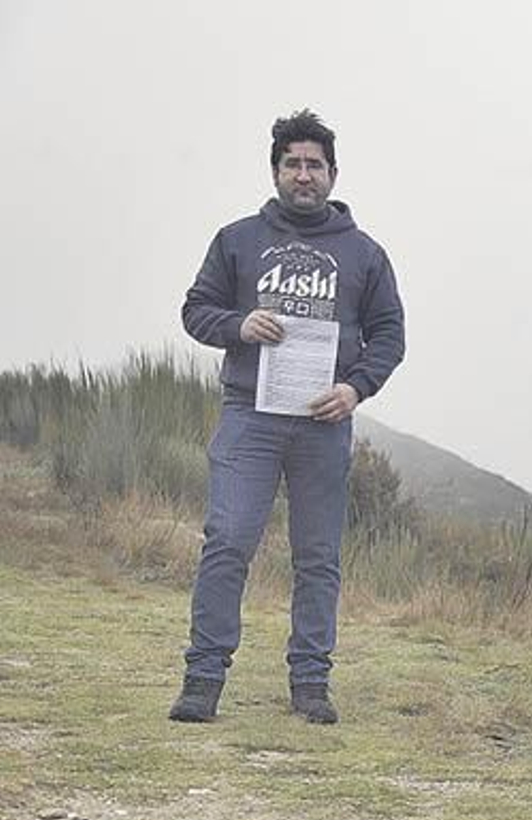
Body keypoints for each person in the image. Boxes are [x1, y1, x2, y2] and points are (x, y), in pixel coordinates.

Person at [167, 109, 405, 725]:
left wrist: (355, 389)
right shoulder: (237, 240)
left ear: (333, 174)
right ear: (275, 172)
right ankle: (203, 678)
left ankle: (310, 684)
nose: (304, 175)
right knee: (227, 541)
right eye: (293, 164)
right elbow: (197, 310)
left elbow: (388, 336)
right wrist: (237, 326)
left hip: (323, 425)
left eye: (315, 165)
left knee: (318, 557)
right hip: (250, 415)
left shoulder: (364, 255)